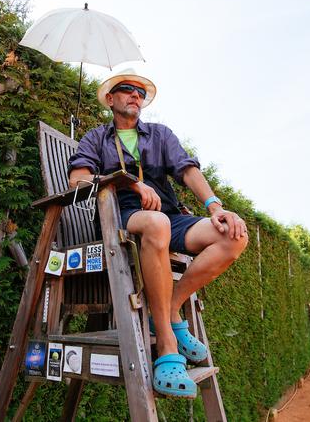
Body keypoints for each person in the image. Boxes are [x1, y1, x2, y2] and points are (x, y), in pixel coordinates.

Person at [67, 68, 248, 399]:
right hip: (120, 216)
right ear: (110, 99)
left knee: (233, 235)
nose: (135, 95)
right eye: (126, 89)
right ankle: (167, 342)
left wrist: (215, 207)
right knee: (156, 222)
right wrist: (128, 181)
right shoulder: (95, 138)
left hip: (167, 215)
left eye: (140, 92)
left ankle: (168, 308)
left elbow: (187, 169)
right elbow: (77, 181)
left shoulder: (161, 135)